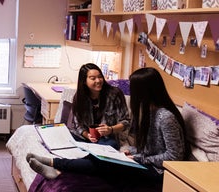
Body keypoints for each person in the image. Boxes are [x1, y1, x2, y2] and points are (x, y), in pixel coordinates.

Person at [27, 67, 187, 189]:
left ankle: (55, 165)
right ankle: (55, 165)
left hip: (158, 173)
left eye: (133, 88)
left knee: (105, 163)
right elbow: (148, 149)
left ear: (144, 91)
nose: (131, 92)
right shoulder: (149, 112)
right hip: (146, 162)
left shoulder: (166, 117)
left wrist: (138, 158)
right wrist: (131, 152)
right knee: (102, 158)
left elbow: (174, 157)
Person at [71, 63, 130, 150]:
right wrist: (87, 135)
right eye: (93, 78)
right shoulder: (79, 97)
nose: (98, 81)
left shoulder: (114, 94)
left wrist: (110, 129)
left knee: (109, 146)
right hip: (86, 138)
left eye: (100, 77)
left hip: (107, 139)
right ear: (84, 81)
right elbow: (78, 125)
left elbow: (126, 122)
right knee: (66, 138)